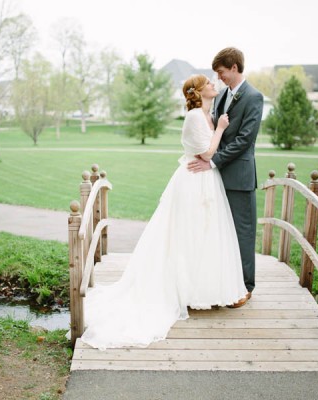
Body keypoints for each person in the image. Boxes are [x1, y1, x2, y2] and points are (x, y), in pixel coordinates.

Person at [80, 74, 248, 350]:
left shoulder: (208, 113)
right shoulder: (196, 116)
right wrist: (219, 129)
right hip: (194, 182)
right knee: (189, 235)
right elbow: (206, 154)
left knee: (205, 235)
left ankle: (201, 290)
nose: (213, 85)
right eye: (208, 82)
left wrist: (216, 125)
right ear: (199, 91)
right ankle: (183, 291)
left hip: (207, 181)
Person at [188, 47, 264, 308]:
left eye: (221, 72)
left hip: (239, 176)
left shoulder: (254, 97)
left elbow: (245, 140)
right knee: (221, 233)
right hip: (217, 178)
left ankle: (246, 287)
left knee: (243, 233)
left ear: (234, 68)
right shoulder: (222, 96)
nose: (218, 77)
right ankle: (225, 283)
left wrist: (213, 161)